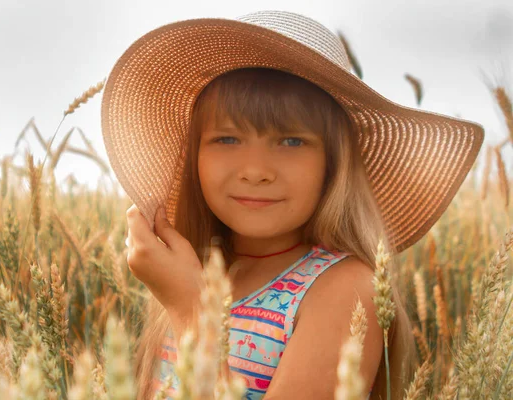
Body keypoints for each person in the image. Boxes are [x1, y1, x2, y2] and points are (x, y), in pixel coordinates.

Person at [100, 10, 485, 400]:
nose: (255, 170)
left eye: (291, 142)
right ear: (193, 155)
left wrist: (190, 313)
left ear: (332, 163)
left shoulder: (344, 289)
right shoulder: (189, 268)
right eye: (227, 139)